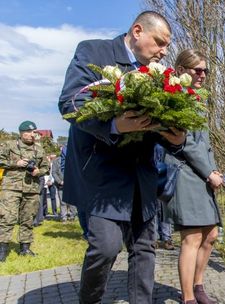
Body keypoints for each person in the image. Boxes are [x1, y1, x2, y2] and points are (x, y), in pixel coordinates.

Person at [58, 11, 186, 303]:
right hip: (103, 177)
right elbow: (70, 103)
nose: (164, 51)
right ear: (138, 31)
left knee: (144, 249)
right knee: (105, 247)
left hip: (143, 177)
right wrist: (115, 125)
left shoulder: (160, 74)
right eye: (160, 42)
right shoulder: (93, 52)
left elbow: (169, 118)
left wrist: (178, 140)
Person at [164, 49, 223, 304]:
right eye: (196, 70)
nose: (202, 75)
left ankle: (198, 286)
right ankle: (188, 298)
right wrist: (209, 172)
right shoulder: (175, 96)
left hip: (202, 174)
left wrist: (214, 169)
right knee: (192, 237)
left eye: (205, 71)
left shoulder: (197, 98)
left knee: (210, 235)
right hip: (184, 173)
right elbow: (185, 141)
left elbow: (204, 143)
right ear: (180, 69)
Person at [0, 120, 48, 261]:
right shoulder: (8, 145)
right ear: (22, 133)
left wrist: (39, 171)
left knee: (28, 219)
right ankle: (2, 250)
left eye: (34, 132)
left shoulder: (39, 149)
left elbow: (46, 167)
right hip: (11, 188)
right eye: (30, 132)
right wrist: (16, 163)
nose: (33, 135)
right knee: (7, 218)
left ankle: (25, 248)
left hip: (31, 189)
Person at [51, 155, 77, 222]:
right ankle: (63, 218)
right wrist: (60, 181)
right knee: (63, 202)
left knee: (72, 201)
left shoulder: (73, 158)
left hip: (71, 184)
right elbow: (54, 172)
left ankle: (72, 216)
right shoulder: (56, 160)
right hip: (61, 185)